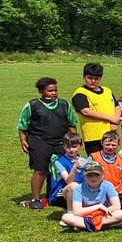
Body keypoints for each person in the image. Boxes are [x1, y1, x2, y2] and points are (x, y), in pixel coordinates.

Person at [18, 76, 79, 208]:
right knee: (41, 170)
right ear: (41, 91)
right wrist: (23, 140)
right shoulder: (32, 105)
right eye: (50, 91)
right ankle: (35, 199)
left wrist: (75, 140)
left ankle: (56, 196)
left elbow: (72, 123)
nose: (54, 93)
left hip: (60, 142)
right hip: (39, 141)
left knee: (61, 169)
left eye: (55, 90)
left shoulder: (64, 105)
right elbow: (23, 125)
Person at [58, 161, 122, 232]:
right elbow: (77, 211)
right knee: (66, 217)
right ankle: (106, 226)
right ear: (84, 176)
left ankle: (84, 226)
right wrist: (98, 207)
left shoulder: (108, 185)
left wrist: (98, 212)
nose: (93, 178)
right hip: (86, 216)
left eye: (96, 175)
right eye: (89, 175)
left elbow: (116, 206)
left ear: (102, 175)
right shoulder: (79, 189)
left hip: (103, 214)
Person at [72, 63, 121, 155]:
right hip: (93, 137)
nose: (93, 81)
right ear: (84, 76)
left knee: (111, 164)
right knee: (96, 165)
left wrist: (114, 122)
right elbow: (86, 111)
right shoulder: (80, 93)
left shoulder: (107, 90)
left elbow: (117, 106)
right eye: (90, 78)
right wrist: (111, 119)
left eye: (96, 78)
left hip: (110, 135)